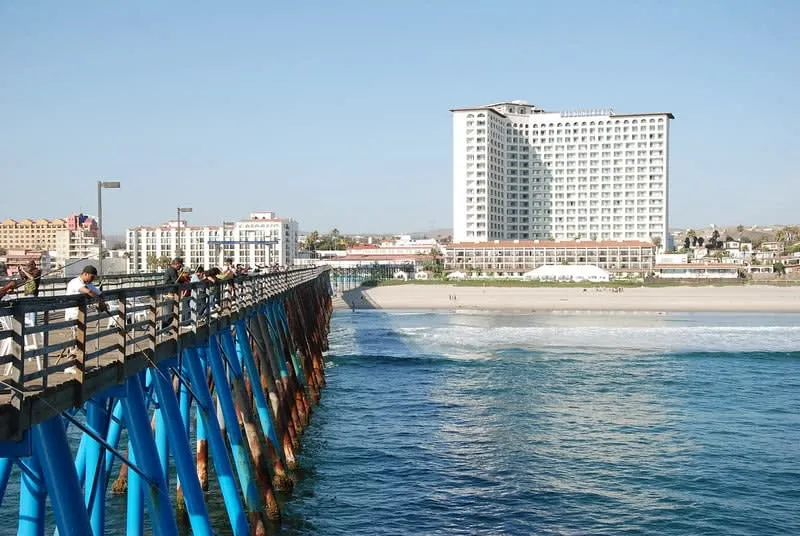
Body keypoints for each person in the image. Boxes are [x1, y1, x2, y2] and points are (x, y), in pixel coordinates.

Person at [64, 265, 106, 373]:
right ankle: (70, 366)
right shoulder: (75, 282)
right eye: (92, 277)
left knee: (80, 340)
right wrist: (98, 301)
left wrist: (102, 301)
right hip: (72, 316)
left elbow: (99, 293)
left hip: (81, 316)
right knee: (74, 341)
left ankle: (76, 365)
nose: (92, 280)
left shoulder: (88, 284)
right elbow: (87, 291)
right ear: (85, 274)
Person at [18, 260, 42, 328]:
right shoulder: (29, 272)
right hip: (27, 292)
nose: (28, 267)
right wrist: (20, 271)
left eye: (29, 265)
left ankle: (33, 323)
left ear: (33, 265)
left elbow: (32, 278)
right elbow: (23, 278)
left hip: (33, 292)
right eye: (27, 265)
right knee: (29, 308)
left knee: (33, 308)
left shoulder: (37, 271)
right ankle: (32, 322)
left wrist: (24, 271)